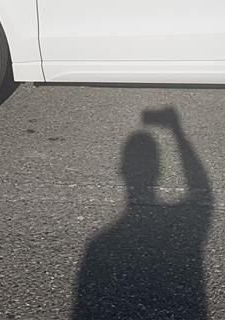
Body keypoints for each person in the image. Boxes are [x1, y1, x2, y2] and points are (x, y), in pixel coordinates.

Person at [71, 106, 213, 319]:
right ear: (159, 171)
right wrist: (177, 132)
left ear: (121, 172)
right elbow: (202, 191)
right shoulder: (180, 227)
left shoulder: (100, 245)